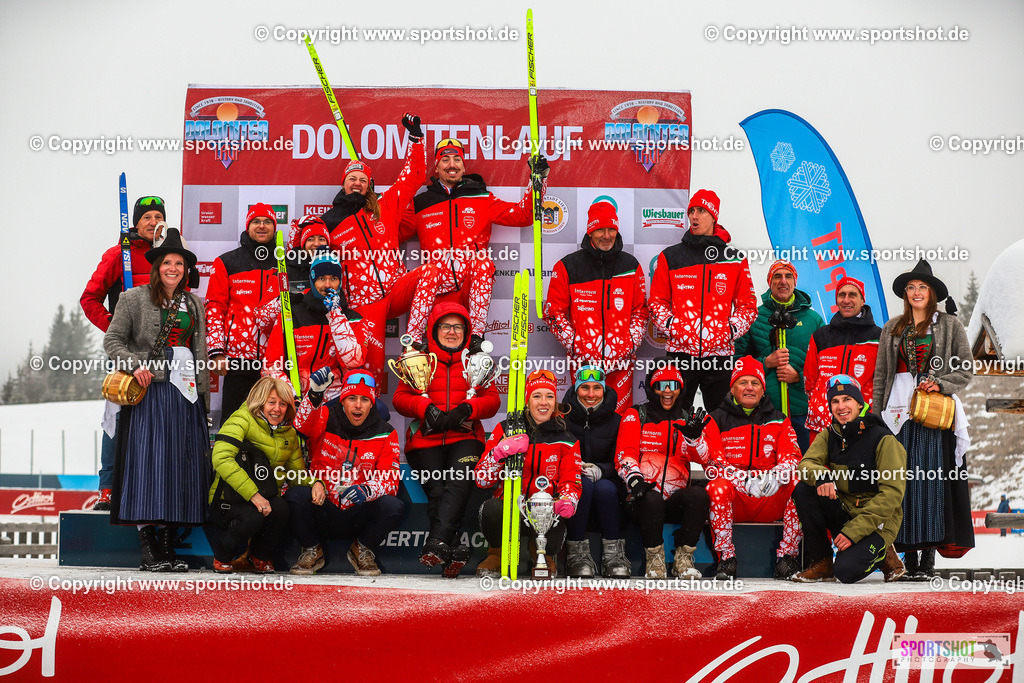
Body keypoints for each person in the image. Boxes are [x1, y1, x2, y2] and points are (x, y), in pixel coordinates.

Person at [103, 228, 210, 572]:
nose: (174, 268)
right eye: (168, 262)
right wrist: (136, 366)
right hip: (149, 393)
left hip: (184, 394)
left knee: (178, 467)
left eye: (179, 263)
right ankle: (149, 548)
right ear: (157, 266)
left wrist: (203, 398)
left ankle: (167, 546)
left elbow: (200, 352)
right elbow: (113, 341)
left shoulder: (195, 303)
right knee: (148, 466)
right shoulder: (133, 298)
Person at [873, 259, 974, 579]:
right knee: (902, 485)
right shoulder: (892, 327)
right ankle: (907, 556)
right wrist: (876, 417)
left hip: (933, 411)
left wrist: (940, 383)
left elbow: (965, 369)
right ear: (906, 293)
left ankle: (927, 558)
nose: (916, 292)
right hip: (897, 411)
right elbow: (880, 376)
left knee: (930, 482)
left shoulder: (950, 326)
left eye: (923, 287)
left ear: (932, 294)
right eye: (911, 287)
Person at [402, 138, 549, 350]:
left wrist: (537, 182)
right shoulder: (421, 203)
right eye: (445, 159)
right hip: (436, 291)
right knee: (436, 356)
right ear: (436, 166)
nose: (452, 164)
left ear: (463, 166)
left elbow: (523, 216)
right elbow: (391, 234)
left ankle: (477, 339)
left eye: (457, 159)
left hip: (471, 288)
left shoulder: (482, 198)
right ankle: (413, 345)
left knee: (482, 262)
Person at [392, 302, 501, 578]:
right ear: (434, 330)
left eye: (458, 327)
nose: (451, 332)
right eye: (445, 326)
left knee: (458, 481)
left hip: (465, 438)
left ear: (466, 331)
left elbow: (493, 400)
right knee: (438, 491)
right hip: (426, 440)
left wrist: (468, 409)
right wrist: (425, 408)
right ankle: (450, 549)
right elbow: (400, 398)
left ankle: (437, 543)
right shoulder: (419, 359)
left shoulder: (475, 361)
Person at [324, 114, 426, 383]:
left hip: (396, 288)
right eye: (352, 178)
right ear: (343, 183)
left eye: (363, 180)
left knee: (432, 271)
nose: (357, 183)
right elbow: (310, 255)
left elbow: (412, 177)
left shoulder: (384, 207)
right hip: (364, 304)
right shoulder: (329, 222)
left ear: (370, 185)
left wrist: (415, 139)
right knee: (369, 373)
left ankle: (413, 342)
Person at [81, 195, 167, 511]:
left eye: (159, 216)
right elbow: (89, 299)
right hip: (127, 350)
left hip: (162, 352)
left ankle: (149, 484)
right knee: (117, 413)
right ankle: (107, 487)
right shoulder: (119, 255)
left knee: (158, 417)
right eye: (147, 216)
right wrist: (115, 328)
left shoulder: (169, 255)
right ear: (136, 221)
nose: (153, 221)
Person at [286, 369, 404, 576]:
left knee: (392, 506)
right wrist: (313, 396)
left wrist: (367, 490)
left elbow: (390, 479)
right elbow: (301, 426)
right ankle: (312, 549)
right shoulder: (324, 416)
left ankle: (362, 549)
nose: (358, 405)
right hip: (323, 505)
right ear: (342, 401)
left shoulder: (386, 431)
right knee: (295, 495)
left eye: (364, 399)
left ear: (372, 403)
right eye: (351, 398)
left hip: (358, 512)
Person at [648, 189, 757, 412]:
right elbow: (656, 302)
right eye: (692, 211)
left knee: (723, 417)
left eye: (701, 211)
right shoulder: (671, 256)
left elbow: (748, 306)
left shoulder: (733, 258)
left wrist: (728, 330)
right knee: (677, 414)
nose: (694, 216)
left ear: (714, 216)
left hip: (719, 355)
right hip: (681, 353)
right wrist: (673, 327)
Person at [792, 375, 908, 583]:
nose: (841, 406)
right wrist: (822, 476)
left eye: (847, 399)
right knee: (804, 489)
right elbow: (804, 465)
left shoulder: (883, 438)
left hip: (876, 521)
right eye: (835, 401)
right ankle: (822, 562)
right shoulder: (830, 435)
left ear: (859, 403)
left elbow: (891, 496)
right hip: (846, 513)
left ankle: (885, 554)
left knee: (845, 572)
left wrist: (853, 533)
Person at [697, 356, 802, 580]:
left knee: (799, 485)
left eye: (755, 383)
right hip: (736, 500)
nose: (749, 388)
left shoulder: (779, 420)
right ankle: (726, 559)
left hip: (769, 497)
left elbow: (792, 457)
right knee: (717, 487)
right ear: (732, 388)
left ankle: (787, 559)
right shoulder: (714, 419)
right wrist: (743, 481)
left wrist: (776, 476)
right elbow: (713, 464)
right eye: (743, 382)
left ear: (763, 390)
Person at [544, 197, 649, 415]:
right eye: (601, 229)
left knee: (618, 423)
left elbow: (640, 311)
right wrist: (576, 344)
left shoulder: (630, 265)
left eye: (612, 229)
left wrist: (628, 344)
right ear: (590, 231)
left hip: (621, 367)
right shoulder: (568, 266)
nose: (607, 235)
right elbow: (553, 313)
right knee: (583, 421)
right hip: (583, 364)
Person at [473, 370, 582, 578]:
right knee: (492, 508)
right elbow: (482, 480)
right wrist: (499, 453)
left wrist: (568, 500)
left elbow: (572, 480)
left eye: (549, 396)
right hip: (510, 508)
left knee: (557, 522)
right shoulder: (506, 429)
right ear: (527, 400)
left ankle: (542, 554)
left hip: (543, 511)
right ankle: (496, 553)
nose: (544, 402)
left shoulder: (566, 438)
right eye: (537, 396)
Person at [615, 365, 711, 579]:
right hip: (643, 498)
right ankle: (654, 559)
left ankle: (683, 560)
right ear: (652, 388)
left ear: (681, 389)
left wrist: (694, 439)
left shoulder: (688, 417)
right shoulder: (636, 414)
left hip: (675, 498)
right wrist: (635, 481)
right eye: (661, 386)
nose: (667, 391)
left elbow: (703, 460)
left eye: (673, 385)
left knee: (699, 495)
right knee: (651, 499)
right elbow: (625, 453)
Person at [207, 377, 310, 573]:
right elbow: (221, 458)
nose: (277, 409)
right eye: (271, 402)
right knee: (253, 515)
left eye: (282, 404)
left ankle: (257, 557)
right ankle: (222, 555)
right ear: (260, 402)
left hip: (264, 500)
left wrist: (317, 484)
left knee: (280, 507)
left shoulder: (288, 433)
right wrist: (254, 495)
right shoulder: (241, 418)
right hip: (228, 499)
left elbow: (297, 475)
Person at [735, 259, 824, 452]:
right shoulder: (754, 318)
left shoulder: (813, 320)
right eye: (777, 276)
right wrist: (765, 363)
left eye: (788, 276)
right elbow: (736, 365)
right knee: (767, 470)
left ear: (795, 282)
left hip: (804, 412)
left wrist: (799, 377)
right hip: (765, 410)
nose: (783, 281)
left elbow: (825, 368)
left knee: (804, 470)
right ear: (770, 282)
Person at [205, 203, 280, 425]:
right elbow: (215, 307)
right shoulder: (227, 261)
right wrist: (217, 351)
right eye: (256, 221)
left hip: (275, 358)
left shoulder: (285, 261)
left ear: (275, 227)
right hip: (238, 358)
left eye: (267, 222)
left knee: (272, 423)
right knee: (234, 424)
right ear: (248, 226)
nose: (262, 226)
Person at [261, 251, 368, 401]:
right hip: (296, 398)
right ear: (312, 281)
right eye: (321, 278)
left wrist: (335, 313)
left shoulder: (353, 319)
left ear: (341, 282)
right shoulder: (291, 315)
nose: (327, 285)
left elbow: (352, 362)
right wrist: (290, 394)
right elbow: (271, 365)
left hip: (335, 401)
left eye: (334, 279)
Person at [561, 364, 629, 578]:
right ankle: (576, 553)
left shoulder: (618, 421)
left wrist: (602, 469)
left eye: (597, 388)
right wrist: (575, 470)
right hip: (572, 485)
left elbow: (624, 459)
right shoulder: (563, 419)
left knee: (605, 488)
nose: (591, 394)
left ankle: (614, 555)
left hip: (609, 486)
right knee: (586, 486)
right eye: (585, 388)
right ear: (576, 390)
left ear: (605, 391)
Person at [804, 276, 881, 440]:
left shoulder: (878, 337)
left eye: (852, 295)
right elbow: (809, 381)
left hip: (861, 423)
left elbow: (883, 382)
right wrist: (820, 406)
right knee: (816, 465)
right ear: (836, 300)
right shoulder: (821, 336)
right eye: (842, 295)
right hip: (823, 425)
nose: (846, 300)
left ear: (862, 300)